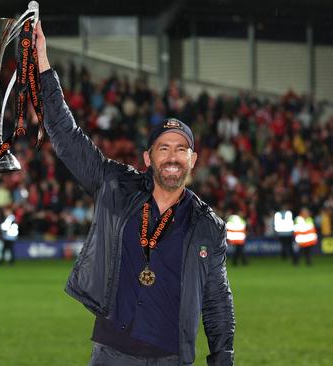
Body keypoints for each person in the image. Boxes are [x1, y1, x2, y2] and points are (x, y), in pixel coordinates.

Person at [34, 23, 235, 366]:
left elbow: (217, 299)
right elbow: (68, 138)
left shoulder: (208, 226)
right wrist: (41, 59)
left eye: (181, 149)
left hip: (171, 358)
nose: (172, 156)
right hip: (112, 354)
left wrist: (223, 355)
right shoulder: (116, 187)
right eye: (163, 148)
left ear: (193, 160)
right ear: (148, 158)